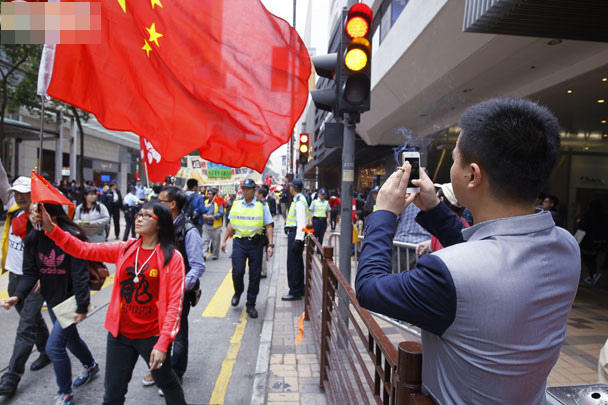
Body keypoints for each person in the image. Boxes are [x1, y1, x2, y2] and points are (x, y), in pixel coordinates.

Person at [355, 98, 580, 404]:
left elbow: (369, 288)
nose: (451, 167)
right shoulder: (567, 246)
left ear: (472, 175)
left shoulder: (447, 273)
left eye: (455, 159)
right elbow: (487, 262)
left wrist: (383, 214)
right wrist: (434, 208)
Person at [32, 201, 187, 404]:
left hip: (152, 336)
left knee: (168, 385)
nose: (139, 218)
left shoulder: (172, 258)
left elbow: (175, 305)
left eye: (147, 215)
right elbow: (82, 249)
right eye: (138, 214)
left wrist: (163, 343)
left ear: (160, 224)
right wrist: (51, 228)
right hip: (119, 335)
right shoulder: (126, 248)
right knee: (113, 395)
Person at [1, 203, 99, 405]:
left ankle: (65, 393)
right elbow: (30, 273)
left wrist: (81, 305)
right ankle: (90, 366)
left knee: (54, 347)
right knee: (71, 340)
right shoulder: (33, 238)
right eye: (31, 212)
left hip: (70, 300)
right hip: (53, 298)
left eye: (38, 212)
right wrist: (17, 296)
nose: (33, 216)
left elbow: (80, 276)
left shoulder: (71, 236)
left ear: (51, 215)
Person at [141, 187, 205, 392]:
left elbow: (197, 266)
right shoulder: (159, 227)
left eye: (160, 201)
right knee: (155, 332)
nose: (155, 205)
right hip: (154, 291)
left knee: (177, 335)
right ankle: (158, 369)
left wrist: (178, 287)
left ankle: (176, 373)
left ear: (172, 205)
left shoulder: (189, 231)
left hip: (178, 294)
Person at [0, 172, 51, 397]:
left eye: (25, 193)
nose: (20, 197)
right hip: (14, 278)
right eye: (16, 193)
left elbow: (52, 249)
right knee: (31, 319)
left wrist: (44, 274)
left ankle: (10, 379)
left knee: (26, 328)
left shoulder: (42, 218)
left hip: (35, 280)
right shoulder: (13, 210)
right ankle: (47, 349)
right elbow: (2, 180)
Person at [221, 179, 274, 318]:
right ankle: (238, 292)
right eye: (243, 188)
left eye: (248, 189)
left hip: (256, 243)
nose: (245, 191)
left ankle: (251, 304)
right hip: (239, 242)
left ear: (254, 190)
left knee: (254, 276)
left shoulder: (262, 206)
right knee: (237, 272)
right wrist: (224, 240)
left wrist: (270, 244)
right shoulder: (236, 204)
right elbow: (231, 224)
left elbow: (269, 225)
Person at [416, 183, 470, 256]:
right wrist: (430, 244)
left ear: (441, 199)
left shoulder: (441, 227)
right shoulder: (466, 229)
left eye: (436, 196)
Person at [282, 179, 308, 301]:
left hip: (296, 235)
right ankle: (300, 288)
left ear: (293, 188)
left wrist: (298, 240)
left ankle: (294, 291)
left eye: (290, 186)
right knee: (297, 263)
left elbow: (301, 221)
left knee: (292, 264)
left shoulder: (299, 201)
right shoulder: (299, 199)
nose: (289, 188)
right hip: (295, 234)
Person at [202, 188, 224, 260]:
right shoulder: (205, 202)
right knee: (205, 240)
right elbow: (202, 210)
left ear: (214, 195)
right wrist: (203, 215)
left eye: (210, 194)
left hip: (216, 226)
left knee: (215, 242)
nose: (208, 195)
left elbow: (221, 213)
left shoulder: (219, 202)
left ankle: (215, 254)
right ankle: (204, 254)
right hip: (206, 224)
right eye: (208, 194)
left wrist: (213, 217)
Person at [255, 186, 272, 278]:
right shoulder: (261, 203)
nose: (255, 194)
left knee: (262, 253)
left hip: (263, 232)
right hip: (263, 231)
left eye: (257, 192)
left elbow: (268, 222)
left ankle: (263, 271)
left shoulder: (264, 204)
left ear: (261, 195)